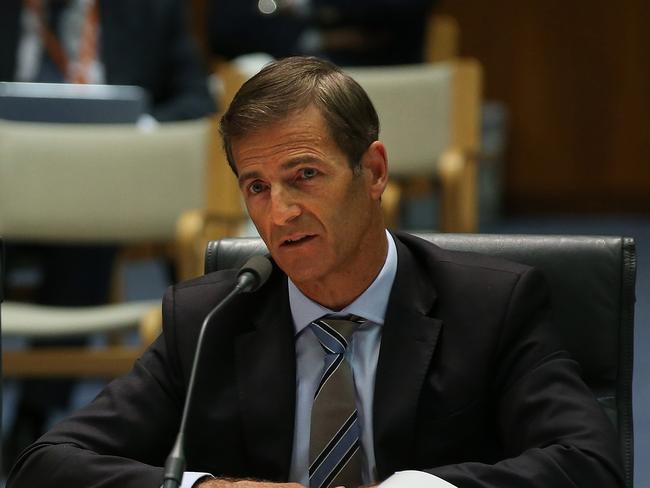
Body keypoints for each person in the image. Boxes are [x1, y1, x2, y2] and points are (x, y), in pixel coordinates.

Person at [7, 56, 624, 488]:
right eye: (257, 186)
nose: (280, 213)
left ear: (374, 171)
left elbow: (591, 465)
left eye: (305, 175)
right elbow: (47, 464)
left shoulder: (492, 306)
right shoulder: (209, 320)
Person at [1, 0, 216, 472]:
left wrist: (141, 131)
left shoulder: (150, 12)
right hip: (6, 183)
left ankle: (37, 410)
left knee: (86, 236)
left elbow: (196, 100)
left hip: (97, 195)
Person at [207, 0, 437, 66]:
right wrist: (316, 39)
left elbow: (407, 7)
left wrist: (312, 5)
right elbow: (227, 29)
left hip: (375, 73)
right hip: (284, 75)